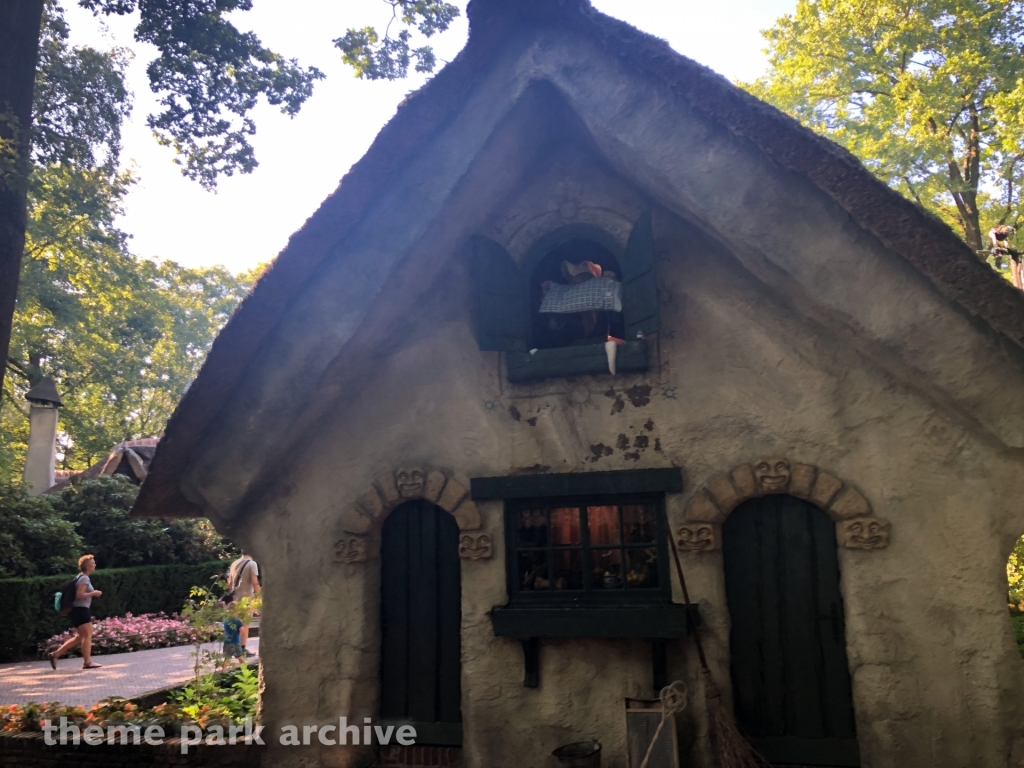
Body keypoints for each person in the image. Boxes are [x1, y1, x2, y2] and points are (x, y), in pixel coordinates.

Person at [49, 554, 103, 670]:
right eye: (93, 563)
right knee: (87, 635)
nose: (95, 565)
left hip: (76, 610)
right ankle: (87, 662)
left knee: (80, 636)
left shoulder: (79, 577)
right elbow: (80, 595)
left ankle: (55, 655)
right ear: (88, 566)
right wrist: (94, 593)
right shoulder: (84, 578)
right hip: (81, 610)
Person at [227, 552, 260, 653]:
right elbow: (255, 583)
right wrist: (259, 598)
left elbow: (229, 583)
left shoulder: (234, 563)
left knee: (234, 624)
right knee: (245, 624)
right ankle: (242, 649)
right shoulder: (252, 564)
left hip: (234, 598)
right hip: (247, 599)